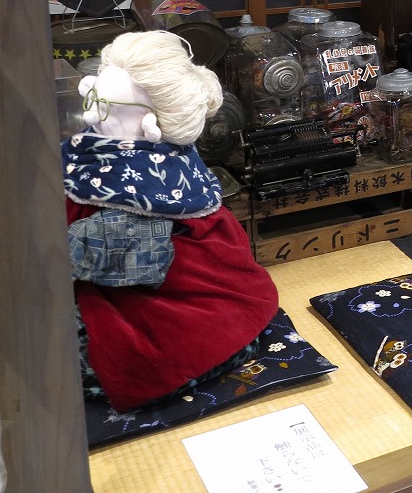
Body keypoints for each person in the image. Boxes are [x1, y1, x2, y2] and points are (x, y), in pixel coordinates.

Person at [64, 30, 279, 411]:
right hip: (226, 307)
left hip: (179, 321)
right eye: (91, 93)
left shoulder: (139, 190)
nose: (92, 112)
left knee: (48, 350)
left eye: (107, 105)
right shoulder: (163, 159)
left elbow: (79, 258)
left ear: (150, 124)